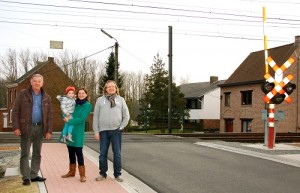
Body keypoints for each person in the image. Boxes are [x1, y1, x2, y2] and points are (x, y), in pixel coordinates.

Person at [12, 73, 53, 186]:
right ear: (31, 82)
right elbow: (15, 111)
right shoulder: (23, 94)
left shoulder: (46, 97)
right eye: (35, 81)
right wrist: (16, 127)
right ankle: (25, 177)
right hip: (26, 127)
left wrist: (49, 130)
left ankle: (34, 175)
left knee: (37, 153)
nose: (37, 83)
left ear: (42, 83)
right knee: (25, 153)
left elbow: (49, 115)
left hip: (40, 128)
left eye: (39, 81)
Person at [93, 80, 130, 182]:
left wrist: (121, 127)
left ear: (115, 88)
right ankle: (102, 174)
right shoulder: (100, 100)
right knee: (102, 153)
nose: (111, 88)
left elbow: (126, 116)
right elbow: (96, 117)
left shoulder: (121, 100)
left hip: (116, 131)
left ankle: (117, 174)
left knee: (117, 154)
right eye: (108, 87)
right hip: (103, 131)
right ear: (105, 89)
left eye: (112, 86)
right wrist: (96, 131)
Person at [60, 88, 92, 182]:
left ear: (86, 95)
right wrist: (65, 117)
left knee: (78, 151)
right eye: (79, 93)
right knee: (70, 151)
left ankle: (82, 175)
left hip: (78, 131)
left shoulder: (87, 105)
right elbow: (66, 111)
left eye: (83, 93)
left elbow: (82, 119)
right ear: (77, 94)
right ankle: (71, 172)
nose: (81, 95)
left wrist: (69, 120)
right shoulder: (74, 103)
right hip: (70, 131)